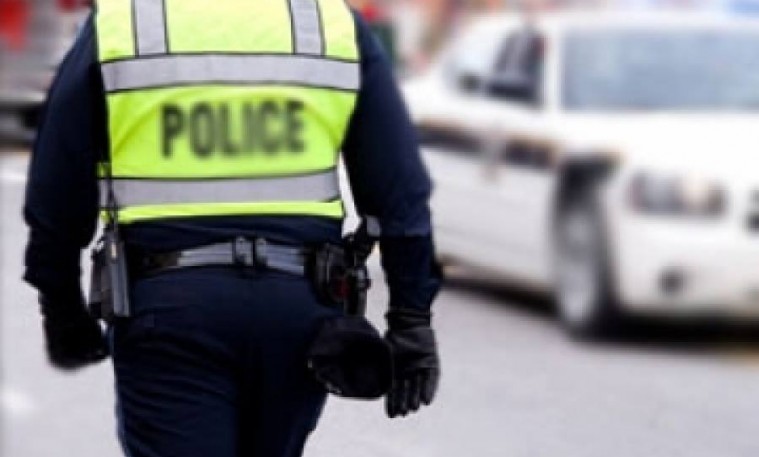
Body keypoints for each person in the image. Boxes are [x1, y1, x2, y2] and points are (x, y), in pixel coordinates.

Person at [23, 1, 441, 456]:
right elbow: (399, 189)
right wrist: (411, 318)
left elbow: (58, 178)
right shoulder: (330, 24)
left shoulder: (125, 21)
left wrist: (60, 304)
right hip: (299, 310)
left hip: (170, 308)